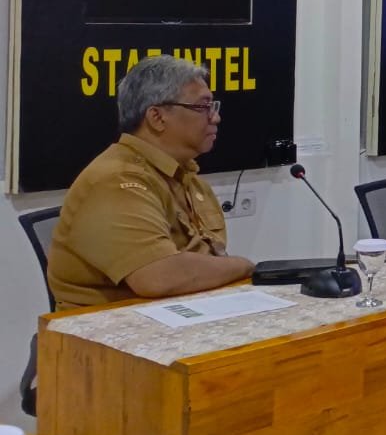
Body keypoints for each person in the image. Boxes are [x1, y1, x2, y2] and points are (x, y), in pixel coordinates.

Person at [48, 56, 253, 310]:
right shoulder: (115, 180)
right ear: (157, 117)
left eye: (213, 106)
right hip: (107, 328)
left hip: (182, 314)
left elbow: (205, 258)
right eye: (203, 107)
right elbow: (159, 277)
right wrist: (245, 266)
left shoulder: (188, 180)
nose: (215, 118)